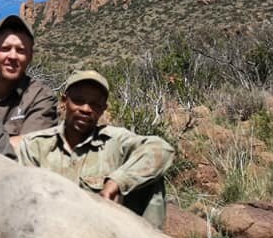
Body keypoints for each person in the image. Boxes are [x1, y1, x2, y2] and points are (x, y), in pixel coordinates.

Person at [17, 70, 174, 228]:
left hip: (105, 235)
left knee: (151, 178)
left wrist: (118, 182)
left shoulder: (115, 141)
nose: (86, 109)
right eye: (78, 101)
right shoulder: (35, 146)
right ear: (64, 101)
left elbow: (162, 149)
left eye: (95, 104)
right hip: (50, 232)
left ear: (103, 109)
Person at [0, 14, 57, 149]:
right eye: (5, 48)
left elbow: (32, 147)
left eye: (21, 50)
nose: (13, 56)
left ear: (30, 56)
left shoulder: (41, 97)